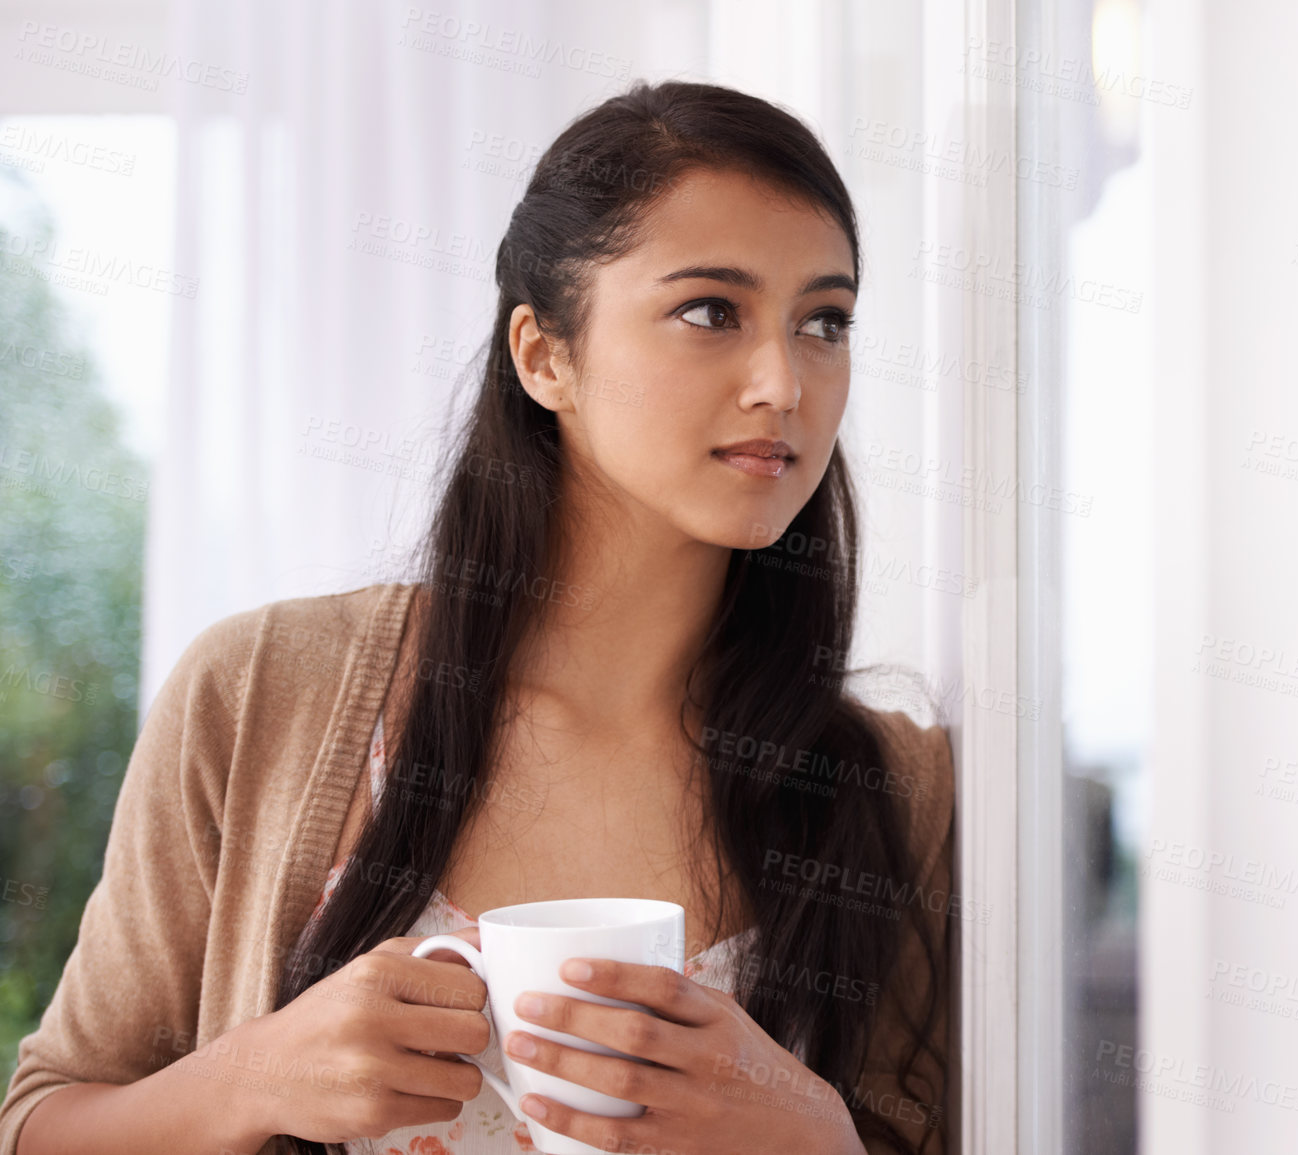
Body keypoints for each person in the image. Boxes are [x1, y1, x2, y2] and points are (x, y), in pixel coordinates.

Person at [0, 79, 953, 1155]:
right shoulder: (260, 690)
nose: (785, 381)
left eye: (824, 321)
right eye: (709, 311)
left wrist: (820, 1140)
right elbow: (40, 1124)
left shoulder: (897, 793)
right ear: (545, 356)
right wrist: (252, 1077)